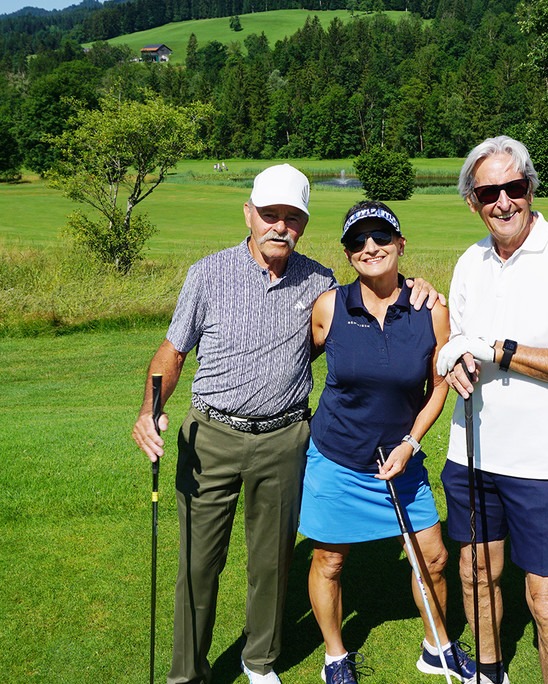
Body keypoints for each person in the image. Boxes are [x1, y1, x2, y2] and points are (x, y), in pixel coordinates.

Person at [131, 165, 440, 684]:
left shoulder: (320, 282)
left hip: (284, 438)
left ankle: (259, 662)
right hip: (212, 435)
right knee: (199, 564)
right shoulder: (208, 273)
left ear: (303, 224)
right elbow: (173, 352)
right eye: (269, 214)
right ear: (248, 214)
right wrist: (149, 409)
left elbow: (369, 303)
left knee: (271, 565)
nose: (280, 226)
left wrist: (418, 287)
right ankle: (187, 673)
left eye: (291, 218)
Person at [435, 136, 548, 684]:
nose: (503, 202)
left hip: (546, 462)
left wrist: (500, 351)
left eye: (513, 187)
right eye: (488, 193)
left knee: (546, 599)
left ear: (530, 189)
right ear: (472, 201)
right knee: (474, 574)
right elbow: (458, 340)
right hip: (473, 452)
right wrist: (453, 358)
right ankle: (489, 672)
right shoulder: (470, 262)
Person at [300, 200, 475, 684]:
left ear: (400, 244)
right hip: (336, 457)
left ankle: (437, 648)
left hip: (401, 460)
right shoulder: (330, 306)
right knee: (329, 561)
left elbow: (439, 384)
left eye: (381, 237)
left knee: (433, 558)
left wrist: (411, 443)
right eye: (358, 240)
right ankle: (335, 656)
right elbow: (294, 362)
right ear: (347, 253)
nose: (370, 247)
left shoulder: (430, 308)